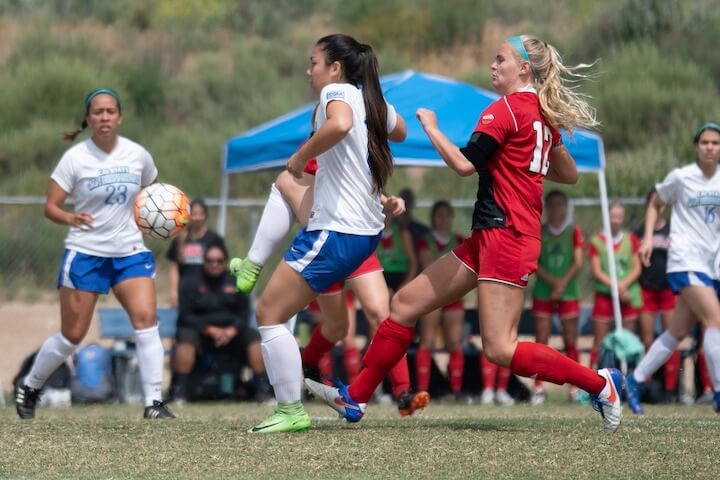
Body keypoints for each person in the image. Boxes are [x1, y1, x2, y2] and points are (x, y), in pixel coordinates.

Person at [307, 34, 626, 433]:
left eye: (501, 60)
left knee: (499, 348)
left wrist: (432, 127)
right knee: (404, 304)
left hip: (507, 235)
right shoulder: (539, 114)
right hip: (492, 235)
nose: (493, 66)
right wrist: (544, 145)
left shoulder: (505, 110)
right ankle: (355, 397)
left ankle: (601, 385)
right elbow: (570, 174)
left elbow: (462, 165)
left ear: (524, 69)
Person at [234, 33, 407, 433]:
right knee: (323, 322)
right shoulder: (371, 99)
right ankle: (253, 267)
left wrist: (302, 154)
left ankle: (290, 410)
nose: (308, 70)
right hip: (362, 234)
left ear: (335, 68)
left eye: (313, 62)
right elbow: (396, 133)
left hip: (337, 231)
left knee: (268, 314)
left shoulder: (336, 92)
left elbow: (341, 124)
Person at [15, 88, 174, 420]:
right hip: (86, 253)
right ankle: (30, 385)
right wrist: (69, 217)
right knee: (73, 335)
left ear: (120, 116)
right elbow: (50, 207)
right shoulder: (75, 158)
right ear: (88, 118)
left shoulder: (138, 155)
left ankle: (154, 403)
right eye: (98, 112)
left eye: (110, 111)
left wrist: (164, 216)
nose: (104, 117)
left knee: (146, 321)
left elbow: (155, 194)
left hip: (129, 252)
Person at [626, 122, 720, 415]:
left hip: (710, 264)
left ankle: (635, 380)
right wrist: (647, 239)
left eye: (715, 143)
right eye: (704, 142)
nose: (709, 147)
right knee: (715, 321)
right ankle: (718, 392)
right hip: (684, 260)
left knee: (677, 331)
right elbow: (656, 202)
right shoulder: (681, 177)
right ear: (696, 146)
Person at [170, 244, 270, 404]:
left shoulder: (236, 281)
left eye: (219, 260)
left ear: (225, 261)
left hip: (232, 335)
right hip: (201, 334)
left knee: (254, 338)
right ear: (204, 262)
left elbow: (244, 314)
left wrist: (232, 330)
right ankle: (179, 393)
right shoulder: (191, 282)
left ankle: (263, 390)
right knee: (185, 339)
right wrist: (208, 329)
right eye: (210, 260)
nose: (214, 264)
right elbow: (185, 316)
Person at [531, 190, 584, 405]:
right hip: (544, 291)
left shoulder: (574, 232)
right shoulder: (538, 231)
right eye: (551, 204)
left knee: (570, 341)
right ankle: (538, 388)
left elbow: (578, 262)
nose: (555, 209)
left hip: (568, 292)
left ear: (566, 207)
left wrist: (561, 284)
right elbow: (533, 262)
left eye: (560, 204)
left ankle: (574, 387)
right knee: (541, 341)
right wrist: (554, 283)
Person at [414, 200, 467, 401]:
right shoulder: (424, 241)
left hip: (453, 296)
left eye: (447, 215)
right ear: (433, 218)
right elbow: (429, 265)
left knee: (455, 343)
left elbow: (462, 270)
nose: (444, 219)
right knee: (426, 342)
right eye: (440, 215)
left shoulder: (460, 240)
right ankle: (422, 390)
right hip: (432, 297)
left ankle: (455, 391)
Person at [634, 189, 680, 400]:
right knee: (647, 339)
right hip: (647, 290)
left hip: (668, 288)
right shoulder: (640, 233)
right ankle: (646, 386)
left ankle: (671, 389)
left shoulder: (674, 231)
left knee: (672, 337)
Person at [587, 201, 642, 367]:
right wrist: (615, 286)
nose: (616, 220)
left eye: (620, 216)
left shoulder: (631, 239)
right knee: (600, 342)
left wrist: (623, 286)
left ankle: (628, 382)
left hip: (627, 295)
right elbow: (597, 271)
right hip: (605, 295)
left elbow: (637, 268)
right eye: (613, 216)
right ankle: (593, 382)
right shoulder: (597, 241)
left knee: (628, 341)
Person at [166, 198, 225, 307]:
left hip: (208, 291)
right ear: (188, 216)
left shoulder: (214, 239)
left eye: (201, 214)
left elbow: (222, 266)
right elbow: (174, 268)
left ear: (205, 216)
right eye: (194, 214)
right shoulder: (180, 239)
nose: (197, 218)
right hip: (185, 292)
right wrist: (174, 292)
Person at [377, 208, 418, 294]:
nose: (385, 214)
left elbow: (413, 263)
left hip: (401, 279)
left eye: (387, 210)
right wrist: (382, 288)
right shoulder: (371, 233)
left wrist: (405, 284)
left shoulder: (403, 233)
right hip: (378, 280)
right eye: (381, 210)